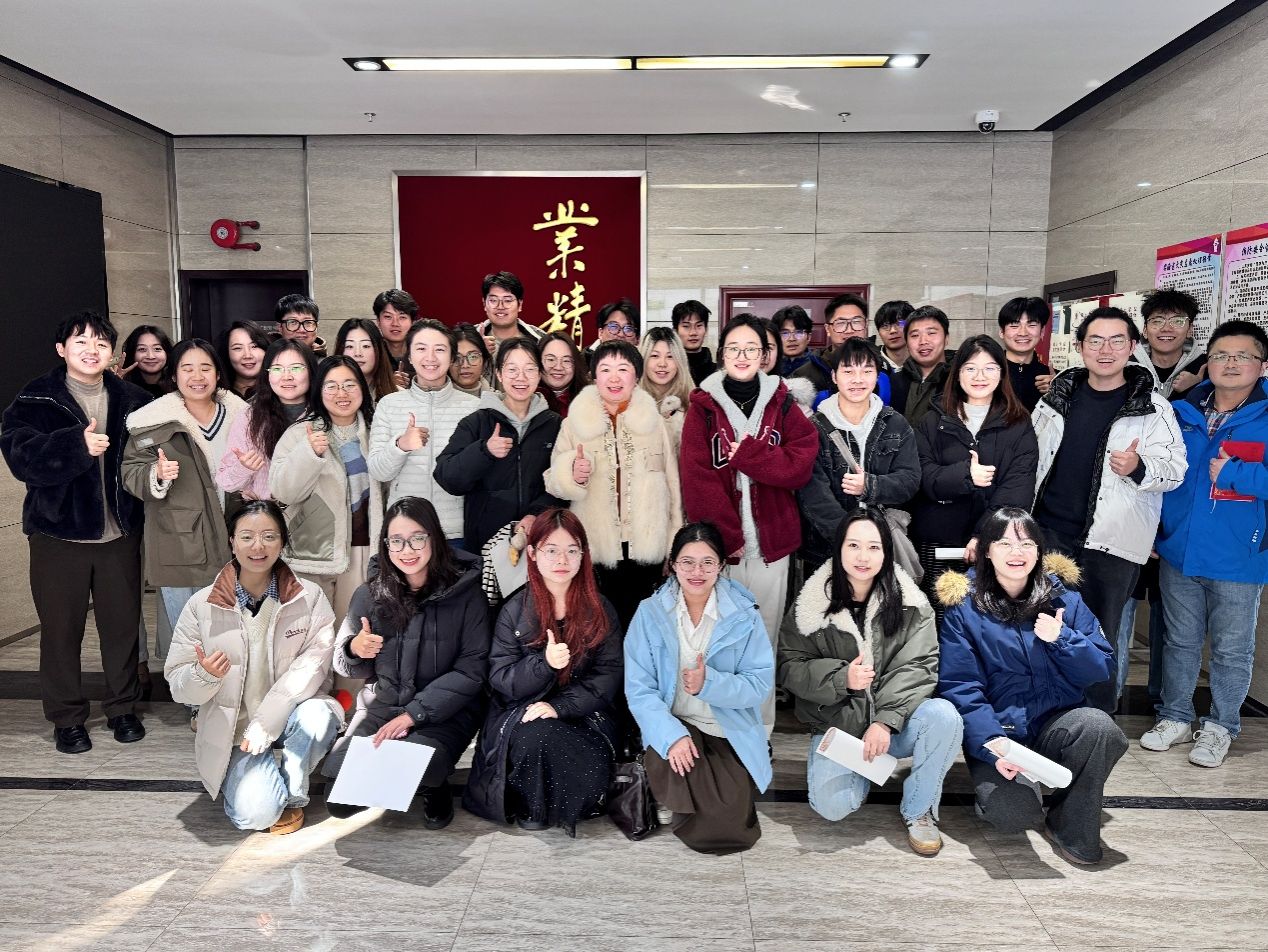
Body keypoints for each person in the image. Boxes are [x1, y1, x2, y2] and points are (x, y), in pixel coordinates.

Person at [937, 507, 1126, 866]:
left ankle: (1071, 826)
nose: (1017, 552)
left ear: (1039, 551)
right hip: (1002, 735)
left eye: (1026, 543)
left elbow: (1100, 668)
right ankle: (1016, 789)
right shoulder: (964, 610)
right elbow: (961, 686)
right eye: (1004, 543)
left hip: (1056, 726)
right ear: (986, 551)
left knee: (1099, 727)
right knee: (1012, 815)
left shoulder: (1066, 601)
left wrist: (1063, 639)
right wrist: (993, 746)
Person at [1, 311, 152, 753]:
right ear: (61, 349)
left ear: (113, 354)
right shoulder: (35, 398)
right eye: (81, 341)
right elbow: (20, 459)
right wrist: (75, 446)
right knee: (60, 631)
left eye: (101, 343)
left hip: (120, 535)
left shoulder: (135, 400)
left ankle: (122, 708)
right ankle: (67, 717)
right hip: (58, 536)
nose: (91, 349)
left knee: (122, 627)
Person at [779, 509, 961, 855]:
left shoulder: (911, 604)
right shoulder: (811, 604)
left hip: (893, 727)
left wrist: (885, 721)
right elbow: (790, 666)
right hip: (840, 726)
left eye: (873, 547)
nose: (863, 557)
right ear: (839, 549)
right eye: (854, 545)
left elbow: (919, 665)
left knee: (943, 716)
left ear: (886, 553)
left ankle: (919, 808)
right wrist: (840, 678)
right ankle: (864, 768)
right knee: (832, 807)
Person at [1031, 307, 1186, 711]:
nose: (1105, 350)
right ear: (1080, 347)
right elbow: (1033, 459)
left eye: (1117, 341)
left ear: (1132, 346)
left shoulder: (1154, 408)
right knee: (1043, 626)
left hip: (1112, 542)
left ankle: (1096, 723)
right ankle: (1045, 717)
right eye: (1095, 341)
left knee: (1100, 636)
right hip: (1050, 535)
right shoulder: (1055, 400)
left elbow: (1175, 470)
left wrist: (1139, 467)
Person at [164, 500, 343, 834]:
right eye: (247, 537)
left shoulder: (310, 597)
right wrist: (203, 676)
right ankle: (258, 781)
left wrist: (266, 723)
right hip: (237, 729)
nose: (258, 546)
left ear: (282, 541)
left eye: (269, 536)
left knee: (320, 716)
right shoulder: (202, 605)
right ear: (232, 542)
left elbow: (314, 668)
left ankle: (292, 790)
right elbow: (179, 687)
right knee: (256, 816)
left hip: (291, 713)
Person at [680, 313, 818, 731]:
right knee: (719, 639)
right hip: (723, 552)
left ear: (765, 355)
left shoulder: (783, 403)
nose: (742, 356)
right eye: (734, 349)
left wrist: (750, 456)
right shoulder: (702, 407)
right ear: (722, 354)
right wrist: (724, 538)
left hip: (772, 545)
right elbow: (697, 478)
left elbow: (799, 465)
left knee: (763, 637)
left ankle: (760, 730)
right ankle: (719, 730)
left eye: (751, 349)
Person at [1142, 320, 1268, 768]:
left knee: (1232, 648)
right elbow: (1162, 475)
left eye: (1242, 356)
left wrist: (1236, 474)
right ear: (1206, 362)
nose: (1230, 364)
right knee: (1179, 641)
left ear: (1262, 365)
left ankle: (1221, 726)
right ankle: (1175, 716)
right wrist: (1153, 531)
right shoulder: (1180, 412)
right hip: (1179, 550)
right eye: (1220, 356)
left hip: (1240, 555)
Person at [323, 497, 490, 829]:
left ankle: (433, 785)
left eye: (417, 538)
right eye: (396, 541)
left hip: (444, 713)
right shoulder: (369, 594)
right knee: (339, 802)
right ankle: (409, 777)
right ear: (386, 544)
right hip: (383, 708)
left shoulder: (467, 594)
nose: (407, 550)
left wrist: (414, 714)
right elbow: (344, 664)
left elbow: (472, 670)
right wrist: (355, 649)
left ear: (434, 538)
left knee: (419, 763)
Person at [464, 509, 622, 834]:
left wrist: (559, 706)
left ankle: (556, 801)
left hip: (585, 714)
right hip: (523, 712)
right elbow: (501, 679)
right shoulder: (513, 610)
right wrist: (544, 664)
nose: (562, 559)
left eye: (572, 550)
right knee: (536, 735)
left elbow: (608, 676)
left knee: (565, 741)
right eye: (551, 550)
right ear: (533, 554)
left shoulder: (600, 609)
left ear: (583, 555)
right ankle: (540, 804)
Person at [625, 522, 774, 854]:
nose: (697, 572)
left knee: (730, 829)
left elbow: (758, 685)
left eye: (707, 562)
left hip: (725, 727)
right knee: (702, 826)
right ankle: (668, 789)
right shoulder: (649, 613)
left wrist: (710, 684)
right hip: (674, 723)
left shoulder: (744, 615)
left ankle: (680, 795)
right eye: (687, 562)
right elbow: (639, 689)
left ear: (721, 566)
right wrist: (671, 736)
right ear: (673, 565)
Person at [122, 339, 249, 665]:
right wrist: (156, 473)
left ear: (218, 374)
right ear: (174, 375)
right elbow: (130, 472)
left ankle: (227, 690)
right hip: (178, 539)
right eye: (187, 368)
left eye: (205, 368)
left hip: (232, 536)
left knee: (231, 633)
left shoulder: (242, 418)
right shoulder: (152, 421)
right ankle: (190, 692)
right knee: (187, 634)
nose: (197, 376)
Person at [545, 340, 682, 627]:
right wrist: (572, 473)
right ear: (594, 376)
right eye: (606, 369)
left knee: (644, 626)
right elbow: (552, 481)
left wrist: (674, 544)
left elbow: (673, 485)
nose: (614, 378)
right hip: (596, 547)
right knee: (600, 626)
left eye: (623, 369)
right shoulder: (574, 423)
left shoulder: (655, 423)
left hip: (647, 546)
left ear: (637, 376)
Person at [911, 335, 1038, 590]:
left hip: (996, 545)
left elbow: (1018, 488)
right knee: (937, 610)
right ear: (957, 373)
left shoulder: (1019, 423)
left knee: (987, 611)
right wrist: (965, 475)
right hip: (937, 541)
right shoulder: (932, 420)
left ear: (1002, 373)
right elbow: (921, 476)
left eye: (990, 368)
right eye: (970, 368)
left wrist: (984, 534)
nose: (980, 376)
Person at [270, 356, 383, 627]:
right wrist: (308, 453)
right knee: (311, 638)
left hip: (364, 550)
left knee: (353, 633)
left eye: (349, 384)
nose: (341, 393)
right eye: (331, 386)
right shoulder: (300, 434)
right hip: (314, 554)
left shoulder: (378, 432)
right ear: (319, 391)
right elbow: (282, 492)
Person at [798, 339, 920, 573]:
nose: (857, 379)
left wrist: (870, 485)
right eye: (848, 371)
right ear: (834, 376)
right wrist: (850, 539)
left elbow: (910, 480)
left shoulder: (895, 424)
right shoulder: (813, 428)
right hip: (827, 548)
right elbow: (813, 494)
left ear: (877, 376)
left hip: (881, 544)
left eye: (867, 370)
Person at [435, 338, 565, 553]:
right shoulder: (476, 422)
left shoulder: (555, 425)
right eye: (512, 369)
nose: (521, 377)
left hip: (542, 541)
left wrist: (536, 514)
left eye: (529, 369)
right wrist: (484, 451)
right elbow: (447, 478)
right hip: (486, 546)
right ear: (499, 374)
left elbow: (562, 484)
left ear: (540, 374)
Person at [368, 319, 479, 545]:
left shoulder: (474, 408)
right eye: (421, 348)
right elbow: (379, 472)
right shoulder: (389, 405)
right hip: (405, 531)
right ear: (409, 356)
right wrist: (401, 445)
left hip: (457, 531)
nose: (430, 358)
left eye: (440, 350)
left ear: (452, 357)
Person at [216, 338, 317, 502]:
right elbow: (225, 482)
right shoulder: (249, 416)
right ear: (267, 374)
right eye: (277, 369)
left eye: (296, 368)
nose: (286, 376)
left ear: (311, 371)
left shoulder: (323, 414)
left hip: (314, 513)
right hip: (266, 513)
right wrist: (243, 467)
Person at [1132, 288, 1207, 399]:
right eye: (1157, 321)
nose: (1166, 328)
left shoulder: (1206, 368)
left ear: (1190, 330)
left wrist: (1198, 387)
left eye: (1177, 321)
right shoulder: (1126, 367)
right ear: (1145, 331)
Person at [792, 293, 872, 394]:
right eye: (841, 323)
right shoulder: (804, 375)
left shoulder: (882, 367)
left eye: (856, 322)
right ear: (827, 329)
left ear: (866, 325)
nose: (849, 330)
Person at [891, 305, 954, 425]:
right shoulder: (894, 381)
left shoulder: (959, 380)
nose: (923, 341)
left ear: (946, 338)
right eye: (915, 335)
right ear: (907, 343)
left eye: (931, 333)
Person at [639, 327, 693, 453]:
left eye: (670, 356)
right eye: (654, 356)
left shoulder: (693, 406)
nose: (662, 363)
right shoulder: (630, 404)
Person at [997, 297, 1053, 411]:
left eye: (1031, 325)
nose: (1023, 333)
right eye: (1014, 325)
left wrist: (1058, 393)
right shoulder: (987, 372)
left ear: (1042, 331)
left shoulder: (1053, 379)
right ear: (1002, 332)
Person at [477, 271, 544, 355]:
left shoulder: (540, 341)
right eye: (493, 300)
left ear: (520, 305)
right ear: (484, 304)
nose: (500, 306)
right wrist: (476, 352)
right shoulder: (468, 338)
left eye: (508, 300)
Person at [336, 317, 399, 401]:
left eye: (365, 346)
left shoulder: (399, 397)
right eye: (350, 346)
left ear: (378, 350)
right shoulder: (325, 396)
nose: (358, 353)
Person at [538, 331, 590, 417]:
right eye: (551, 359)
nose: (558, 367)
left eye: (566, 361)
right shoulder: (526, 398)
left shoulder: (591, 400)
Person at [117, 324, 174, 398]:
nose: (150, 356)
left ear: (167, 352)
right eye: (142, 349)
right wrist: (115, 385)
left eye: (157, 349)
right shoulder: (122, 385)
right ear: (132, 354)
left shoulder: (179, 386)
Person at [217, 321, 270, 400]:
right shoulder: (216, 395)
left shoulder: (279, 391)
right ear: (226, 353)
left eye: (254, 346)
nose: (248, 355)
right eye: (238, 348)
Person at [672, 299, 716, 386]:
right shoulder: (668, 370)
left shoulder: (717, 373)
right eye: (686, 326)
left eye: (699, 326)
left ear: (706, 330)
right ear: (675, 331)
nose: (693, 333)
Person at [584, 298, 640, 365]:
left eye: (628, 329)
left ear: (637, 339)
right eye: (614, 327)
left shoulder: (644, 364)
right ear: (600, 333)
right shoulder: (581, 364)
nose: (621, 334)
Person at [373, 287, 419, 368]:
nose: (395, 323)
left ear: (412, 322)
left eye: (402, 317)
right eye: (388, 317)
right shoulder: (371, 355)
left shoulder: (422, 353)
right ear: (378, 321)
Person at [274, 293, 326, 357]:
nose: (301, 330)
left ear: (317, 326)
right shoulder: (266, 359)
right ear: (280, 327)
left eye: (308, 322)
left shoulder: (327, 362)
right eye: (293, 322)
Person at [450, 322, 493, 397]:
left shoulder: (499, 400)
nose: (465, 365)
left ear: (484, 360)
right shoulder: (432, 399)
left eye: (473, 357)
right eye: (457, 358)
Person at [775, 305, 816, 377]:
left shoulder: (818, 364)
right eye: (785, 333)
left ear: (808, 337)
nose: (792, 339)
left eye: (798, 332)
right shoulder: (769, 365)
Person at [873, 299, 913, 373]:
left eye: (899, 323)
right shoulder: (870, 362)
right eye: (885, 326)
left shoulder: (925, 361)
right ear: (879, 332)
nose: (893, 330)